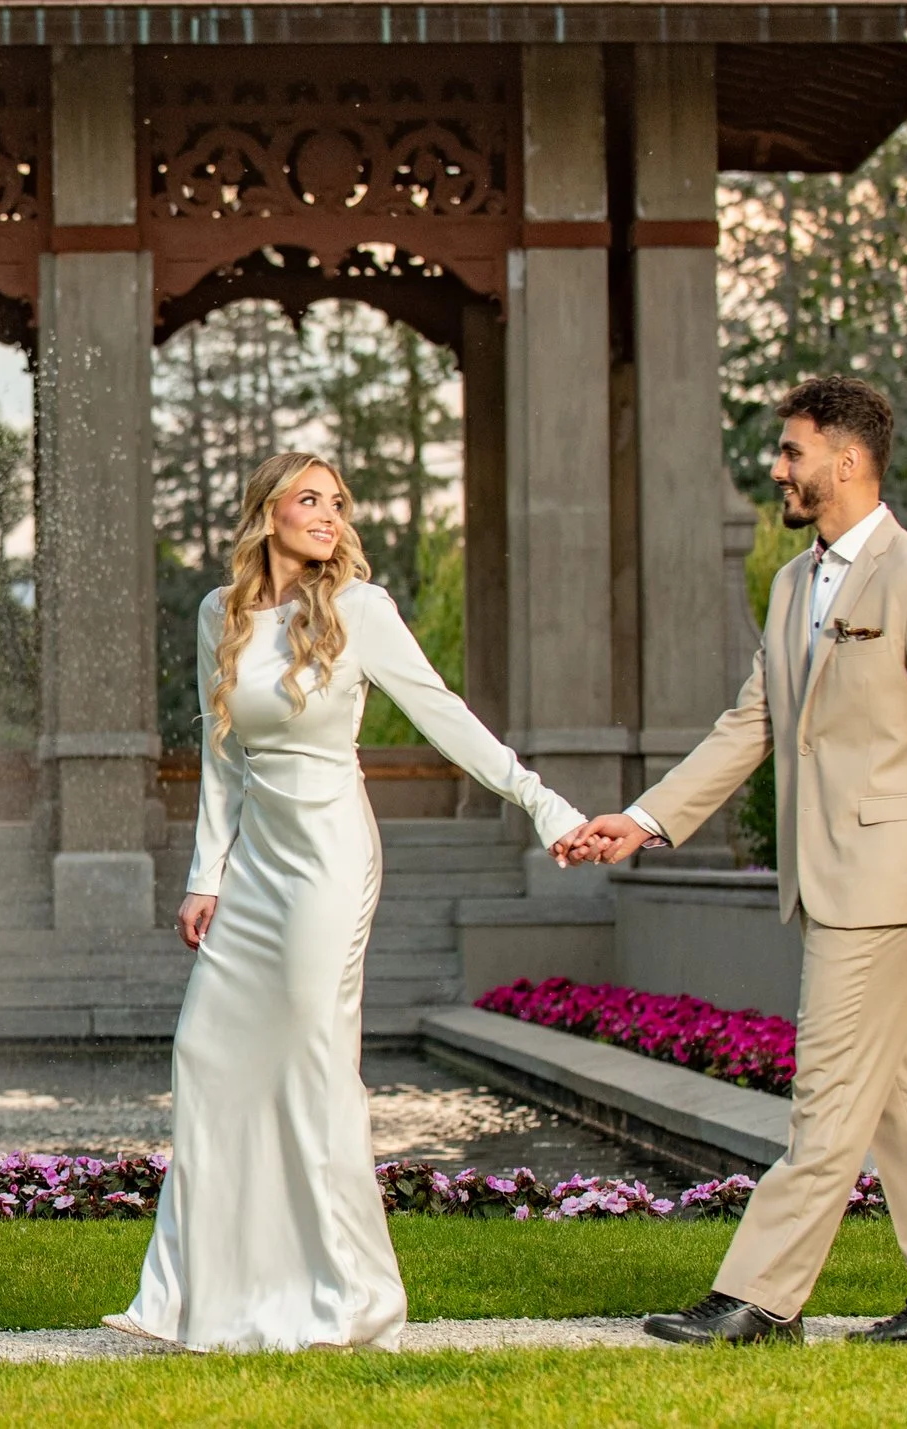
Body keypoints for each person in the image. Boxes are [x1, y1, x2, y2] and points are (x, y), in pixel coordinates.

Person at [106, 451, 588, 1353]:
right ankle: (189, 1301)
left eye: (338, 502)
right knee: (206, 1053)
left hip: (330, 853)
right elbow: (224, 759)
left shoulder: (360, 612)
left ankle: (347, 1298)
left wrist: (539, 800)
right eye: (310, 499)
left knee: (314, 1063)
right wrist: (205, 874)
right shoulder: (222, 612)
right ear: (267, 512)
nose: (329, 515)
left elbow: (444, 713)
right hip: (254, 867)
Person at [567, 375, 907, 1347]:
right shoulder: (788, 583)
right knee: (903, 1094)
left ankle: (759, 1298)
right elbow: (753, 724)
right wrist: (643, 819)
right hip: (830, 881)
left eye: (791, 452)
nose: (776, 469)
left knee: (825, 1099)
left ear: (845, 461)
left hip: (892, 886)